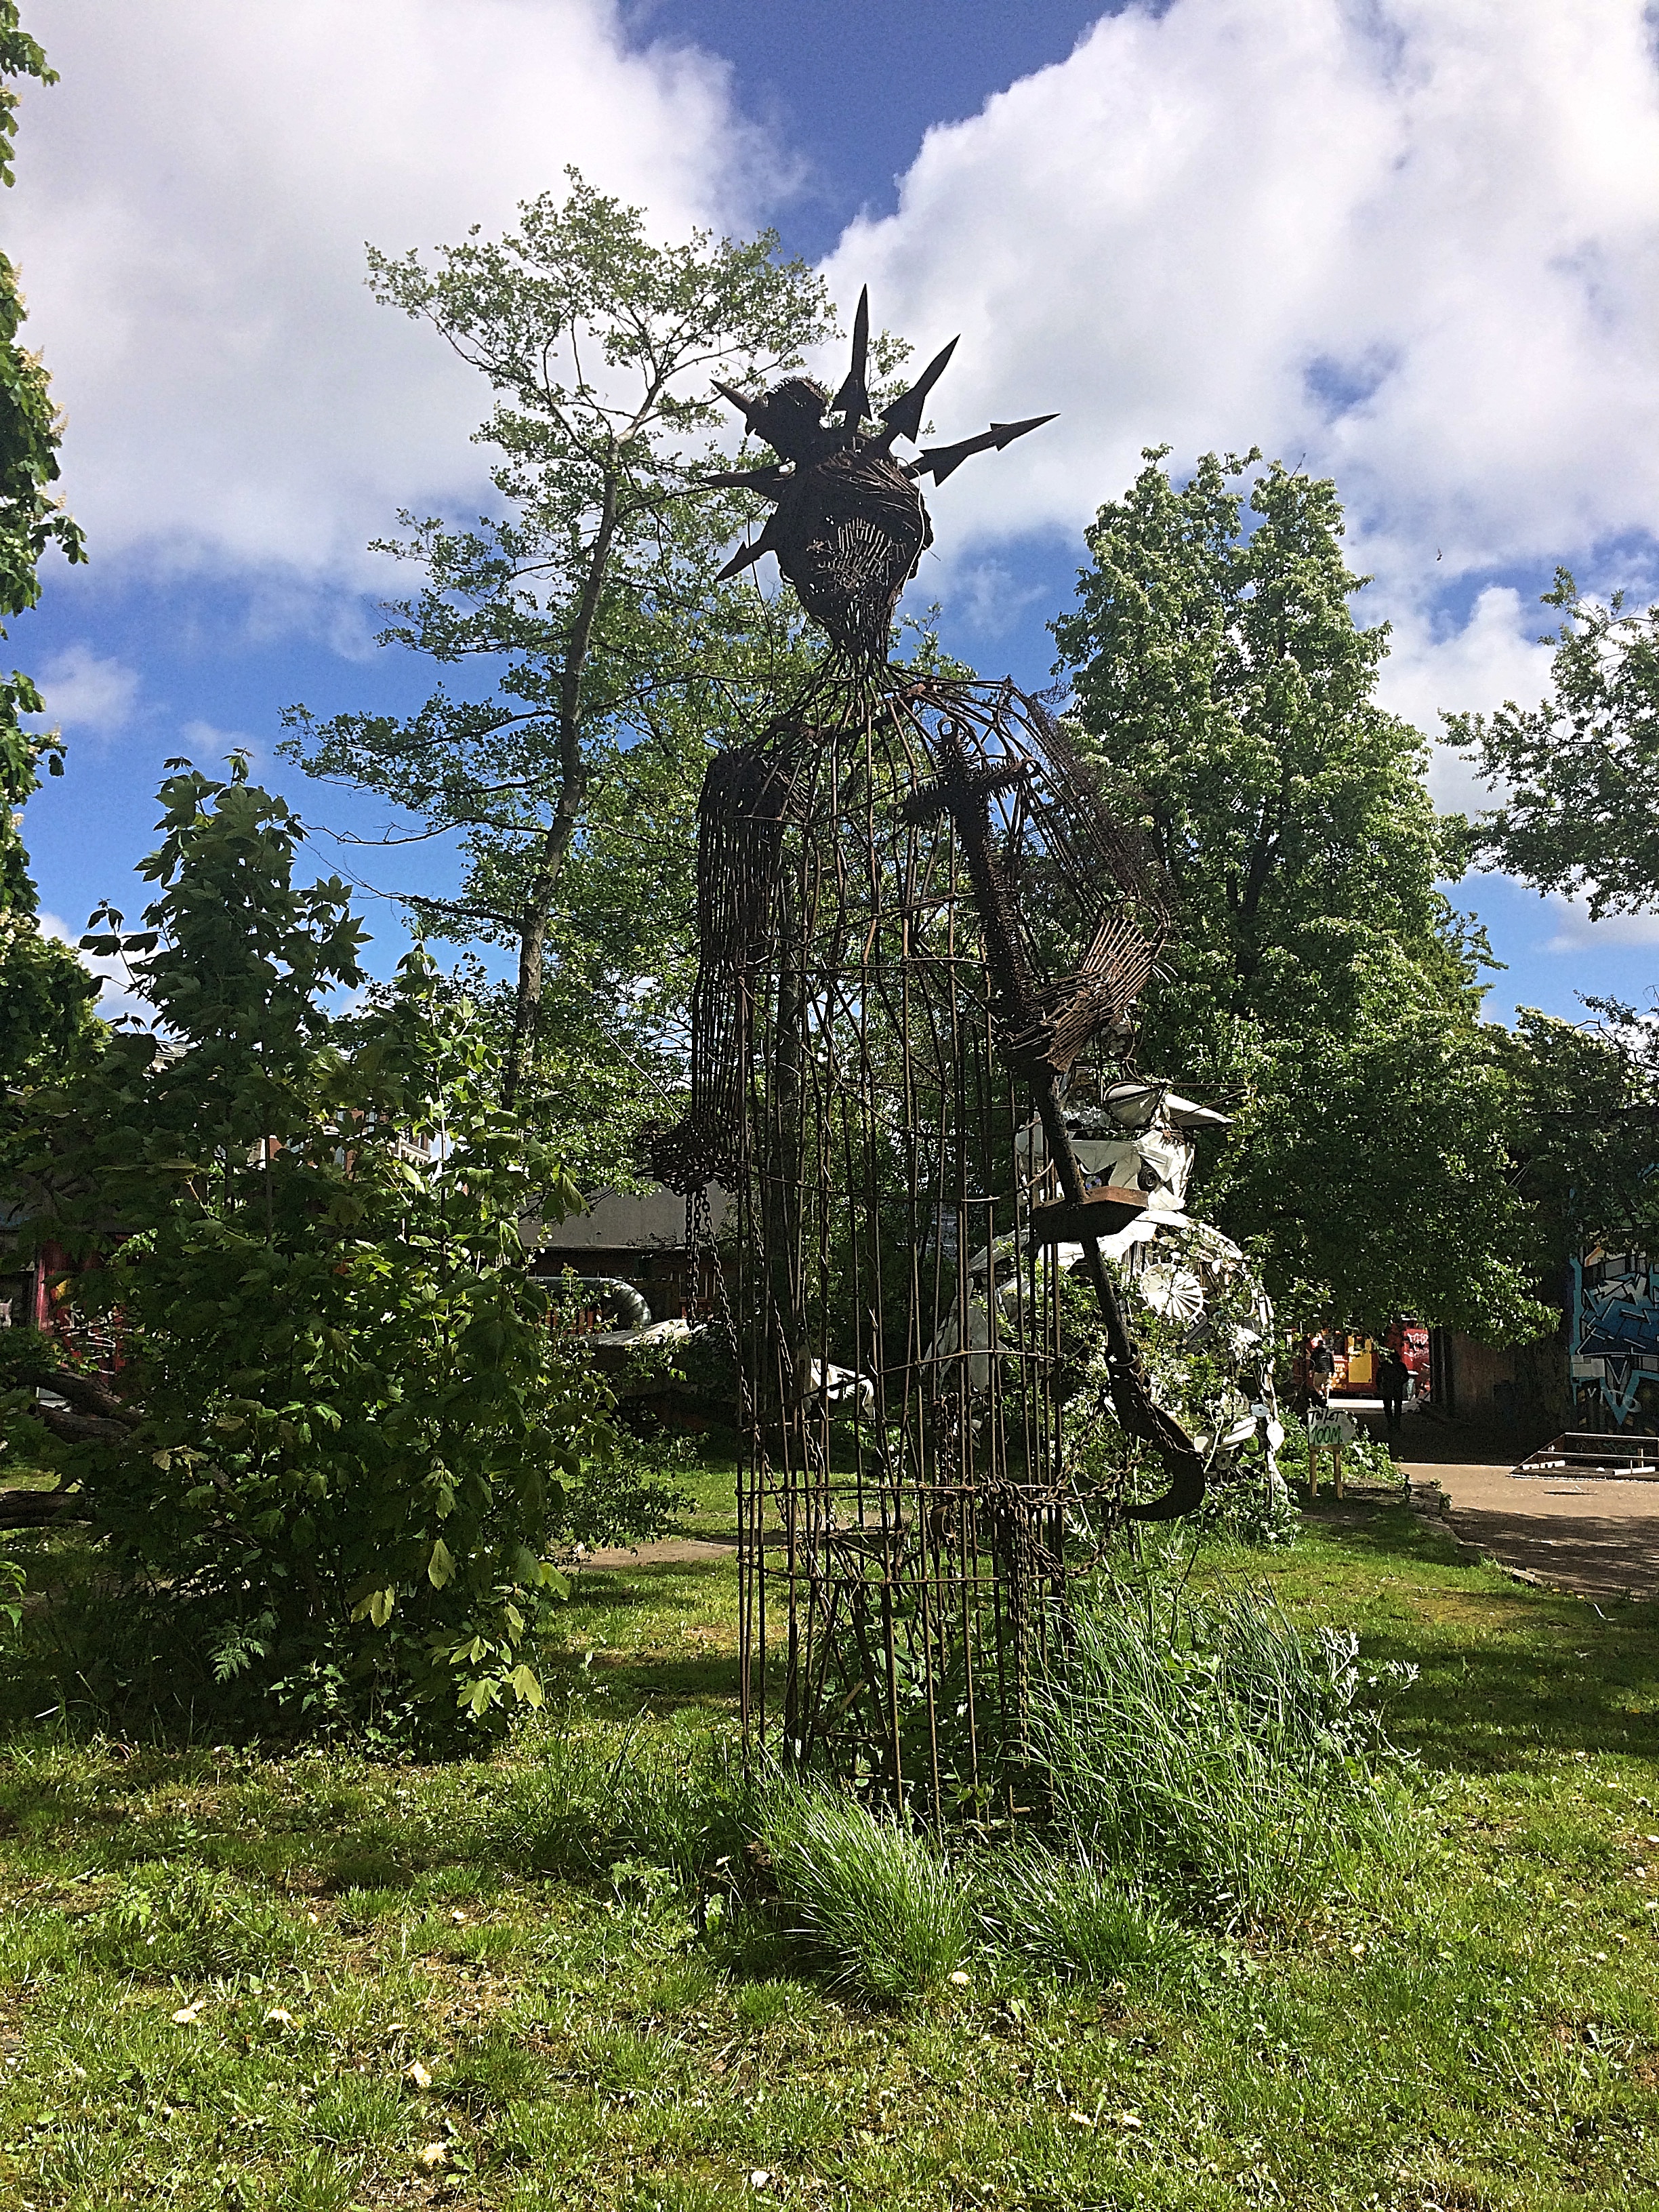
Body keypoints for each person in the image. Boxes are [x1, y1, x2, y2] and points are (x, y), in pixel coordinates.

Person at [1379, 1322, 1408, 1429]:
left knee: (1388, 1406)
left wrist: (1379, 1386)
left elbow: (1379, 1376)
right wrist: (1401, 1382)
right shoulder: (1401, 1366)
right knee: (1398, 1406)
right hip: (1397, 1387)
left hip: (1387, 1387)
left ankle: (1391, 1422)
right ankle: (1396, 1423)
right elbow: (1406, 1377)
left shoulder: (1385, 1365)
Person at [1307, 1332, 1335, 1410]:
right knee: (1327, 1386)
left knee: (1316, 1385)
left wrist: (1310, 1370)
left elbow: (1312, 1362)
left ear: (1318, 1344)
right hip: (1328, 1371)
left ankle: (1321, 1395)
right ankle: (1327, 1399)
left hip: (1319, 1371)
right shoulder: (1329, 1352)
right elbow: (1332, 1362)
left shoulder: (1316, 1352)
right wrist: (1333, 1371)